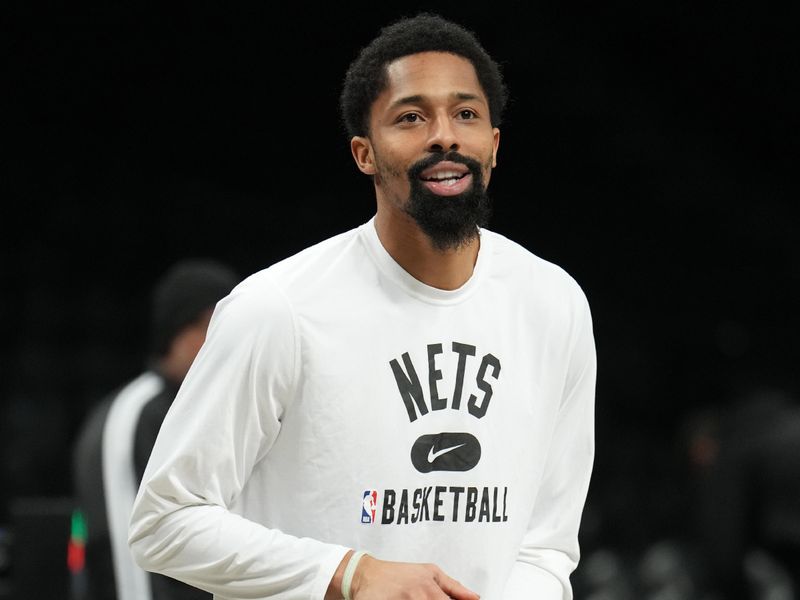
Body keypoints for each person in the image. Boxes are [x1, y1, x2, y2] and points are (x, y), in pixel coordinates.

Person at [129, 13, 596, 600]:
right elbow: (163, 522)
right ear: (364, 153)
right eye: (410, 117)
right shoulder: (277, 310)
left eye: (466, 114)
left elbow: (547, 545)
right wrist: (348, 573)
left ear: (494, 146)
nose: (444, 135)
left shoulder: (555, 305)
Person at [72, 258, 239, 600]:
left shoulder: (220, 409)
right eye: (216, 326)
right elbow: (126, 551)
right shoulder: (134, 416)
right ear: (181, 331)